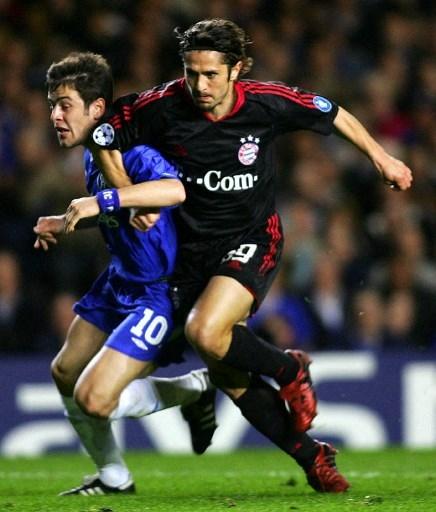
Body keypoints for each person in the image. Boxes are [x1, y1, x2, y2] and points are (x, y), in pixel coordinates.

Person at [91, 18, 411, 493]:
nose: (199, 85)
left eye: (210, 75)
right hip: (187, 253)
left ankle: (288, 368)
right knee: (225, 367)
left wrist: (381, 157)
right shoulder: (161, 105)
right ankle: (310, 455)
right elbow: (102, 136)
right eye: (191, 72)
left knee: (205, 331)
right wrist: (126, 194)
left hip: (252, 239)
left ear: (236, 69)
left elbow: (333, 112)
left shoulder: (266, 102)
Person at [34, 52, 218, 496]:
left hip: (157, 291)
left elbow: (173, 190)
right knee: (65, 372)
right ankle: (114, 477)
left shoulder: (132, 148)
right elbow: (117, 209)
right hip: (119, 280)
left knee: (94, 399)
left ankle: (194, 388)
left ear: (97, 109)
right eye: (52, 104)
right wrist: (67, 220)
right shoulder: (93, 155)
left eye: (64, 104)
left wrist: (105, 203)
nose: (55, 115)